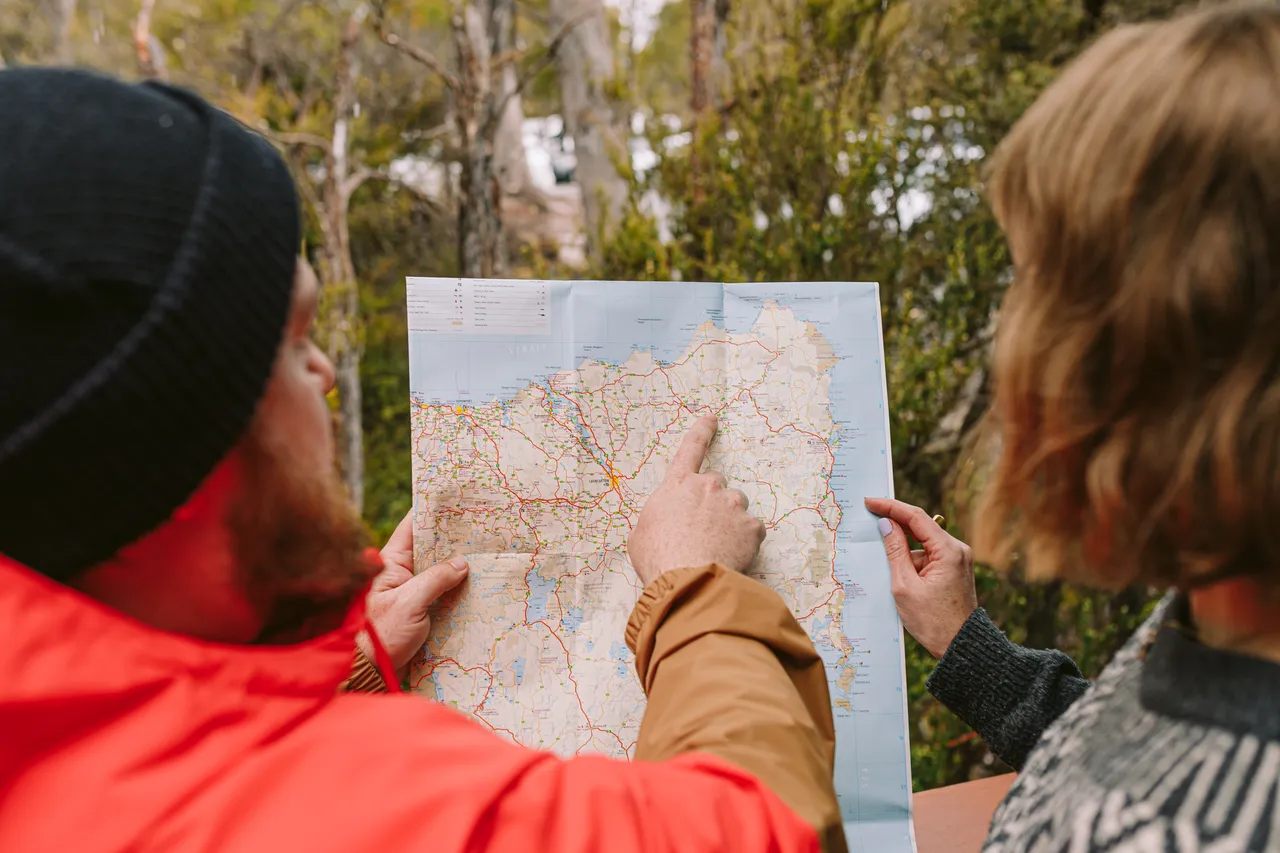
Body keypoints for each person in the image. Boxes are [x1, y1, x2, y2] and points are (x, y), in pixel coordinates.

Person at [0, 67, 846, 853]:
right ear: (187, 442)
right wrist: (694, 583)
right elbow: (758, 830)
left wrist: (355, 666)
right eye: (294, 345)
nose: (326, 375)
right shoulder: (369, 809)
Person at [866, 4, 1280, 850]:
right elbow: (1124, 742)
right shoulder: (1230, 605)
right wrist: (966, 643)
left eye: (1035, 281)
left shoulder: (1170, 831)